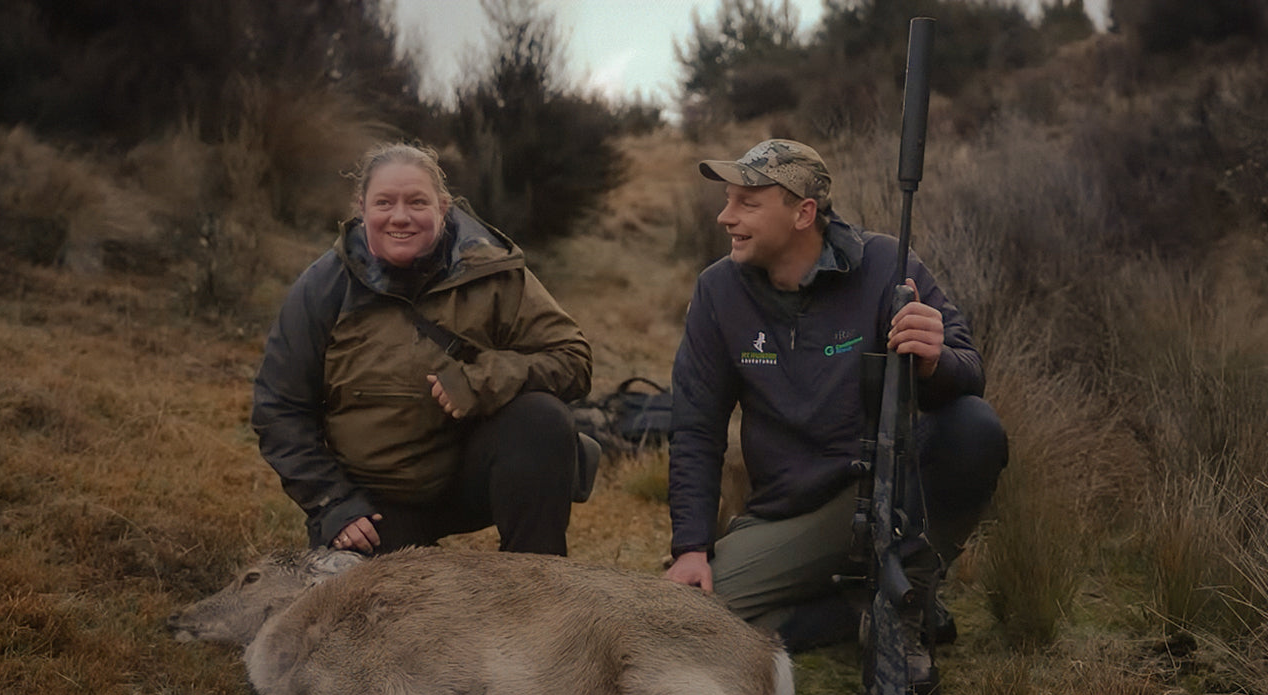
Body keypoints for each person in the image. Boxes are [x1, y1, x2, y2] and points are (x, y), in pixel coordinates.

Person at [664, 139, 1008, 656]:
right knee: (683, 622)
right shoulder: (718, 292)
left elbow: (969, 373)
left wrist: (937, 361)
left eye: (746, 203)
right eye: (727, 200)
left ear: (803, 213)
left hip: (887, 493)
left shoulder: (887, 264)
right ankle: (858, 612)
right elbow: (696, 425)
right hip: (789, 511)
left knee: (974, 429)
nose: (724, 217)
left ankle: (912, 580)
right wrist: (690, 547)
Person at [251, 141, 592, 556]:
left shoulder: (493, 272)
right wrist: (334, 504)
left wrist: (483, 381)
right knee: (381, 615)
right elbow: (279, 408)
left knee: (542, 419)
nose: (400, 217)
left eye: (417, 202)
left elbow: (573, 359)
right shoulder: (323, 286)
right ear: (361, 208)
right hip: (373, 503)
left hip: (468, 480)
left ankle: (538, 590)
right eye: (384, 203)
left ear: (442, 207)